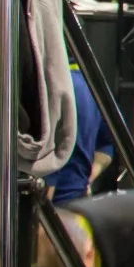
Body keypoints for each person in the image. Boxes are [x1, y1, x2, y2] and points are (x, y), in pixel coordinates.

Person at [45, 67, 114, 204]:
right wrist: (89, 177)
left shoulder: (51, 84)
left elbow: (48, 160)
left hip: (49, 206)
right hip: (78, 202)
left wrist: (41, 219)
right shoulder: (93, 85)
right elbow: (108, 143)